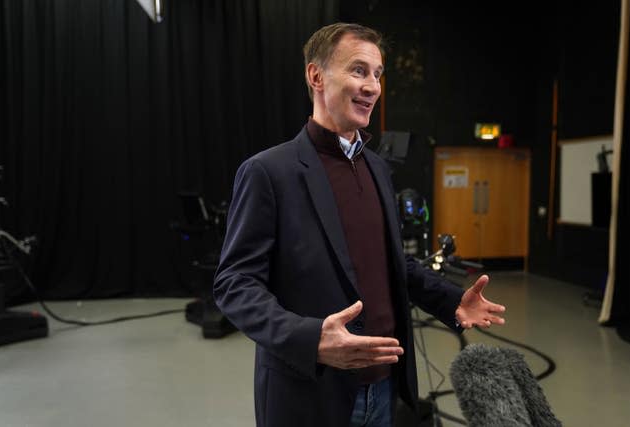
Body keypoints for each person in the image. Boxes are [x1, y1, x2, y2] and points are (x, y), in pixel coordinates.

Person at [213, 22, 506, 427]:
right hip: (308, 394)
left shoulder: (378, 169)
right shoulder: (268, 172)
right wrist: (310, 338)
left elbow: (392, 266)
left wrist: (450, 301)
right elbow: (235, 284)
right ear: (316, 76)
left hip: (384, 389)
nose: (372, 86)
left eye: (377, 74)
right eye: (358, 70)